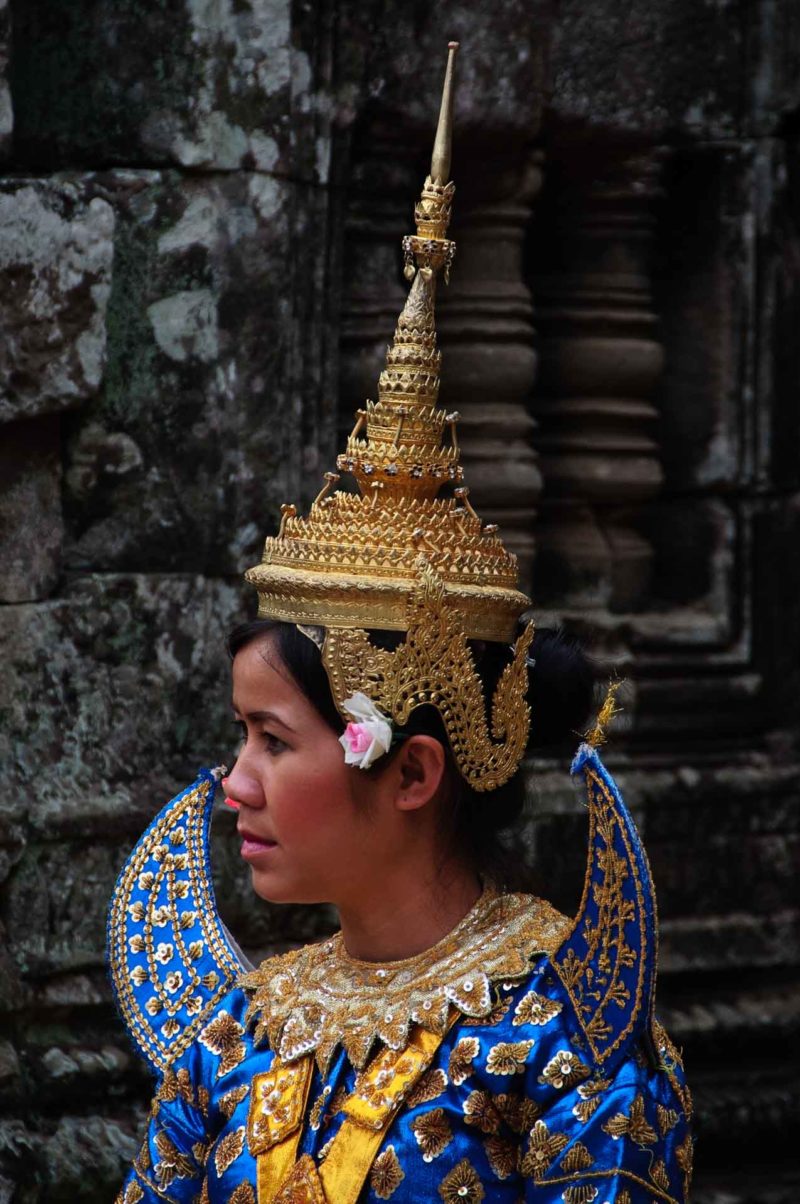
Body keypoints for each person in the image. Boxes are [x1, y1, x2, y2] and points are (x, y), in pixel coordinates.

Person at [109, 44, 692, 1204]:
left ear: (413, 767)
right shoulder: (237, 1035)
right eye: (244, 740)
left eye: (273, 741)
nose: (233, 783)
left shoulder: (566, 1047)